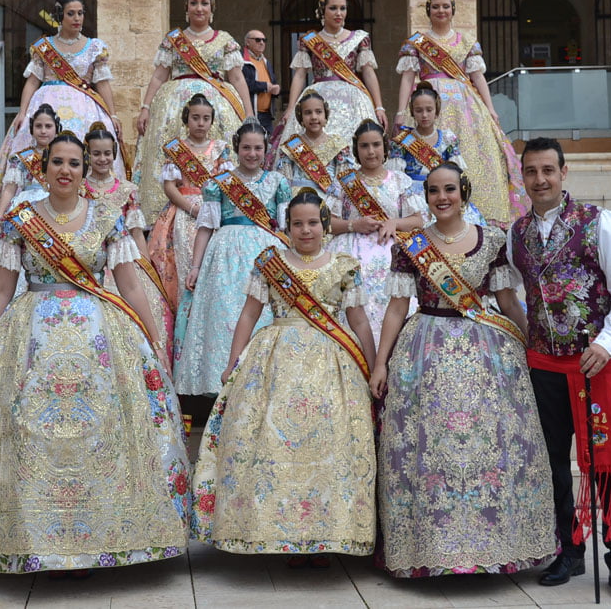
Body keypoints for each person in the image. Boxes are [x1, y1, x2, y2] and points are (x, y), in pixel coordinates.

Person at [0, 132, 189, 574]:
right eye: (57, 162)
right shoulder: (20, 220)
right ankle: (30, 539)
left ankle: (108, 535)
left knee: (103, 431)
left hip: (99, 333)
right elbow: (2, 289)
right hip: (31, 334)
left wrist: (153, 341)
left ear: (84, 171)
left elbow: (130, 283)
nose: (65, 170)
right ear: (42, 169)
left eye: (74, 163)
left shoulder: (107, 217)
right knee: (28, 433)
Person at [370, 162, 557, 578]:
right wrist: (381, 362)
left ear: (463, 191)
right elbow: (397, 307)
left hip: (487, 353)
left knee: (490, 447)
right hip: (425, 353)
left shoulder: (492, 241)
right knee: (430, 452)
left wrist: (530, 345)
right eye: (434, 190)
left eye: (449, 189)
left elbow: (508, 302)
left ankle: (497, 544)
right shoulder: (412, 244)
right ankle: (431, 551)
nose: (442, 197)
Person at [191, 189, 377, 568]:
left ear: (325, 225)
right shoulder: (270, 263)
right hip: (274, 361)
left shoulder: (343, 266)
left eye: (312, 223)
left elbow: (358, 320)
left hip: (332, 364)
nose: (305, 230)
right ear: (286, 227)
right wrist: (232, 362)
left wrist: (373, 368)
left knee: (329, 448)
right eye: (297, 224)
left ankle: (326, 534)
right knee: (274, 445)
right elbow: (248, 314)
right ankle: (281, 533)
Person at [507, 137, 611, 603]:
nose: (540, 179)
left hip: (596, 364)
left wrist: (605, 344)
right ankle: (568, 549)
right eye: (531, 171)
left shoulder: (600, 222)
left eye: (548, 170)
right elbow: (507, 290)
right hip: (544, 364)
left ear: (564, 172)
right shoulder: (516, 233)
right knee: (552, 464)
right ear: (521, 176)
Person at [0, 0, 124, 234]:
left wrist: (112, 114)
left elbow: (102, 83)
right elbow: (32, 81)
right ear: (60, 15)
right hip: (45, 107)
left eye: (80, 13)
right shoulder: (44, 47)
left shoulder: (94, 48)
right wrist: (22, 112)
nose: (77, 18)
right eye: (71, 13)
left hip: (86, 109)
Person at [176, 120, 291, 397]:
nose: (252, 154)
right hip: (224, 255)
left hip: (266, 254)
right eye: (246, 148)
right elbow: (205, 227)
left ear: (266, 150)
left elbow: (286, 227)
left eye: (258, 148)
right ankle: (222, 383)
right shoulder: (219, 184)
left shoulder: (278, 182)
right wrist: (196, 266)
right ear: (236, 149)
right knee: (224, 314)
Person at [394, 0, 528, 226]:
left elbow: (477, 77)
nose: (441, 10)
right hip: (429, 106)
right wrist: (401, 111)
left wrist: (491, 109)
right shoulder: (417, 42)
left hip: (467, 110)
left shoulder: (466, 41)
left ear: (453, 9)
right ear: (428, 10)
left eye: (445, 6)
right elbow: (406, 77)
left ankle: (476, 214)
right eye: (435, 6)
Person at [135, 0, 253, 223]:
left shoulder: (225, 41)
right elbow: (159, 75)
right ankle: (163, 213)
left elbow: (237, 78)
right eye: (194, 3)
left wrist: (248, 115)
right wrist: (145, 108)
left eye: (204, 3)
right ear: (186, 8)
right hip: (173, 109)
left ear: (212, 8)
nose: (199, 8)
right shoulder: (173, 40)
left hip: (217, 108)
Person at [326, 120, 427, 345]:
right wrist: (354, 225)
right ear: (356, 150)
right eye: (364, 146)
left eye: (376, 145)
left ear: (385, 148)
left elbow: (420, 219)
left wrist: (395, 223)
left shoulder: (401, 181)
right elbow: (325, 222)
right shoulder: (343, 184)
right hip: (350, 256)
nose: (371, 151)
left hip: (393, 255)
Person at [84, 123, 175, 363]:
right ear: (87, 155)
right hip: (92, 261)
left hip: (126, 262)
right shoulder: (80, 189)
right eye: (96, 153)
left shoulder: (127, 190)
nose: (102, 159)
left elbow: (136, 233)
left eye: (106, 153)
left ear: (113, 154)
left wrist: (147, 267)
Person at [147, 94, 232, 326]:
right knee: (181, 267)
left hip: (213, 215)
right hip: (182, 216)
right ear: (187, 119)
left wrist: (211, 211)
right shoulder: (178, 149)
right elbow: (170, 187)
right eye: (195, 118)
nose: (201, 123)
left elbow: (227, 185)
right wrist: (193, 209)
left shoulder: (220, 150)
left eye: (206, 118)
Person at [277, 0, 388, 147]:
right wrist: (290, 108)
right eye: (333, 8)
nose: (339, 13)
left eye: (343, 8)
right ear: (323, 11)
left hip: (352, 99)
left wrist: (379, 107)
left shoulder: (359, 38)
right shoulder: (309, 40)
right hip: (318, 97)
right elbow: (300, 75)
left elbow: (369, 74)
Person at [0, 103, 59, 288]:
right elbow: (9, 188)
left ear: (56, 128)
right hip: (25, 209)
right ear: (31, 129)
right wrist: (0, 216)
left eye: (48, 126)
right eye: (38, 126)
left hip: (56, 204)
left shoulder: (63, 157)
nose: (43, 131)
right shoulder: (21, 158)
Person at [388, 82, 486, 227]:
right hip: (412, 196)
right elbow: (395, 177)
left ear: (437, 111)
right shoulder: (403, 141)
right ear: (412, 112)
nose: (424, 115)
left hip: (441, 192)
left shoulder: (448, 138)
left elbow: (456, 173)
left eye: (429, 110)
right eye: (419, 110)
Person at [275, 91, 354, 196]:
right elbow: (284, 183)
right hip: (297, 202)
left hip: (329, 202)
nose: (314, 117)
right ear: (301, 117)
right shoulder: (292, 144)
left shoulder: (337, 144)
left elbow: (343, 182)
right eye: (308, 112)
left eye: (318, 112)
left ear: (325, 115)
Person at [241, 29, 280, 138]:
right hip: (250, 113)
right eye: (258, 40)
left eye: (264, 40)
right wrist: (264, 86)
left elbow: (272, 82)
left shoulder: (265, 61)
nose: (262, 43)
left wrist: (275, 90)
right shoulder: (241, 61)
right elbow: (242, 84)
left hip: (267, 115)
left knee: (268, 147)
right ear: (247, 42)